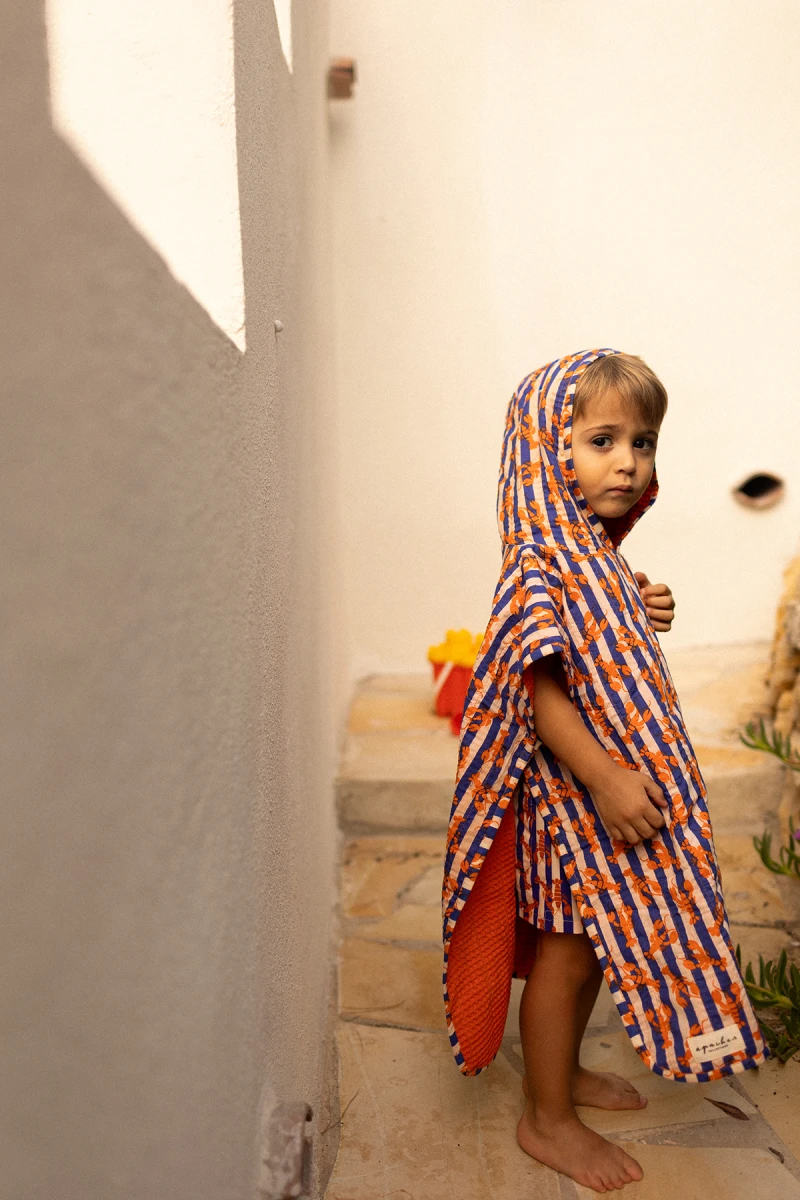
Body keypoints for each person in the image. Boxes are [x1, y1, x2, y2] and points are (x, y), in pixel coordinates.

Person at [441, 350, 768, 1193]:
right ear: (547, 453)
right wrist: (606, 777)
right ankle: (546, 1118)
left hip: (598, 797)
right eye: (601, 440)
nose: (629, 461)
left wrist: (640, 601)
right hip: (574, 804)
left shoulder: (592, 556)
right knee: (567, 950)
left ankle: (562, 1079)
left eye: (644, 441)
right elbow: (538, 689)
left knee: (587, 948)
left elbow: (595, 642)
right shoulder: (539, 565)